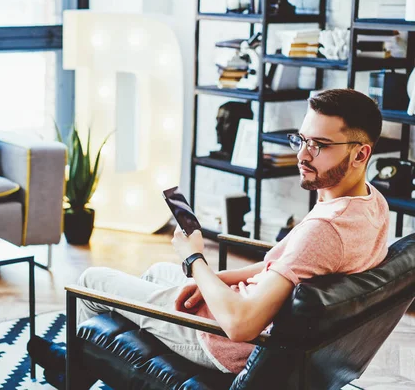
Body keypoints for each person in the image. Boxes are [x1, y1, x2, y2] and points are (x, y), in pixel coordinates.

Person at [75, 88, 390, 375]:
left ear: (360, 154)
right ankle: (116, 359)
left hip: (219, 339)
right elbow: (283, 266)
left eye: (319, 145)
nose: (302, 155)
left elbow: (241, 326)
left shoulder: (325, 230)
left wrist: (195, 259)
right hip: (237, 310)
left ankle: (71, 371)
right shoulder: (371, 204)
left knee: (91, 282)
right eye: (302, 139)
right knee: (159, 271)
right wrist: (212, 280)